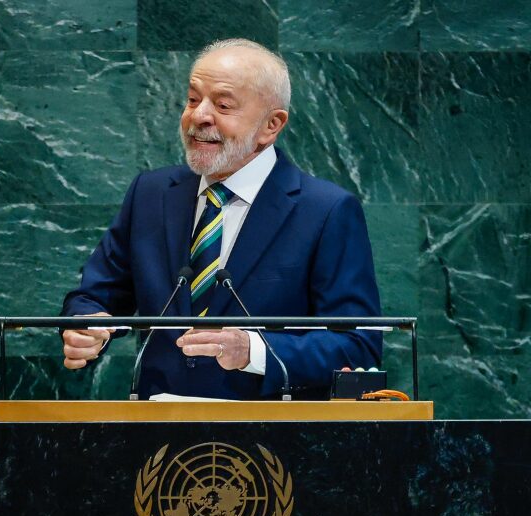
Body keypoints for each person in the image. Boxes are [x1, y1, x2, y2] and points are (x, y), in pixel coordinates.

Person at [61, 38, 381, 400]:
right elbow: (96, 294)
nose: (199, 116)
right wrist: (88, 326)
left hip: (271, 439)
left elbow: (359, 345)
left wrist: (253, 350)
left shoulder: (326, 211)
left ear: (271, 126)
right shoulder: (150, 193)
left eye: (223, 105)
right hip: (156, 437)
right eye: (193, 99)